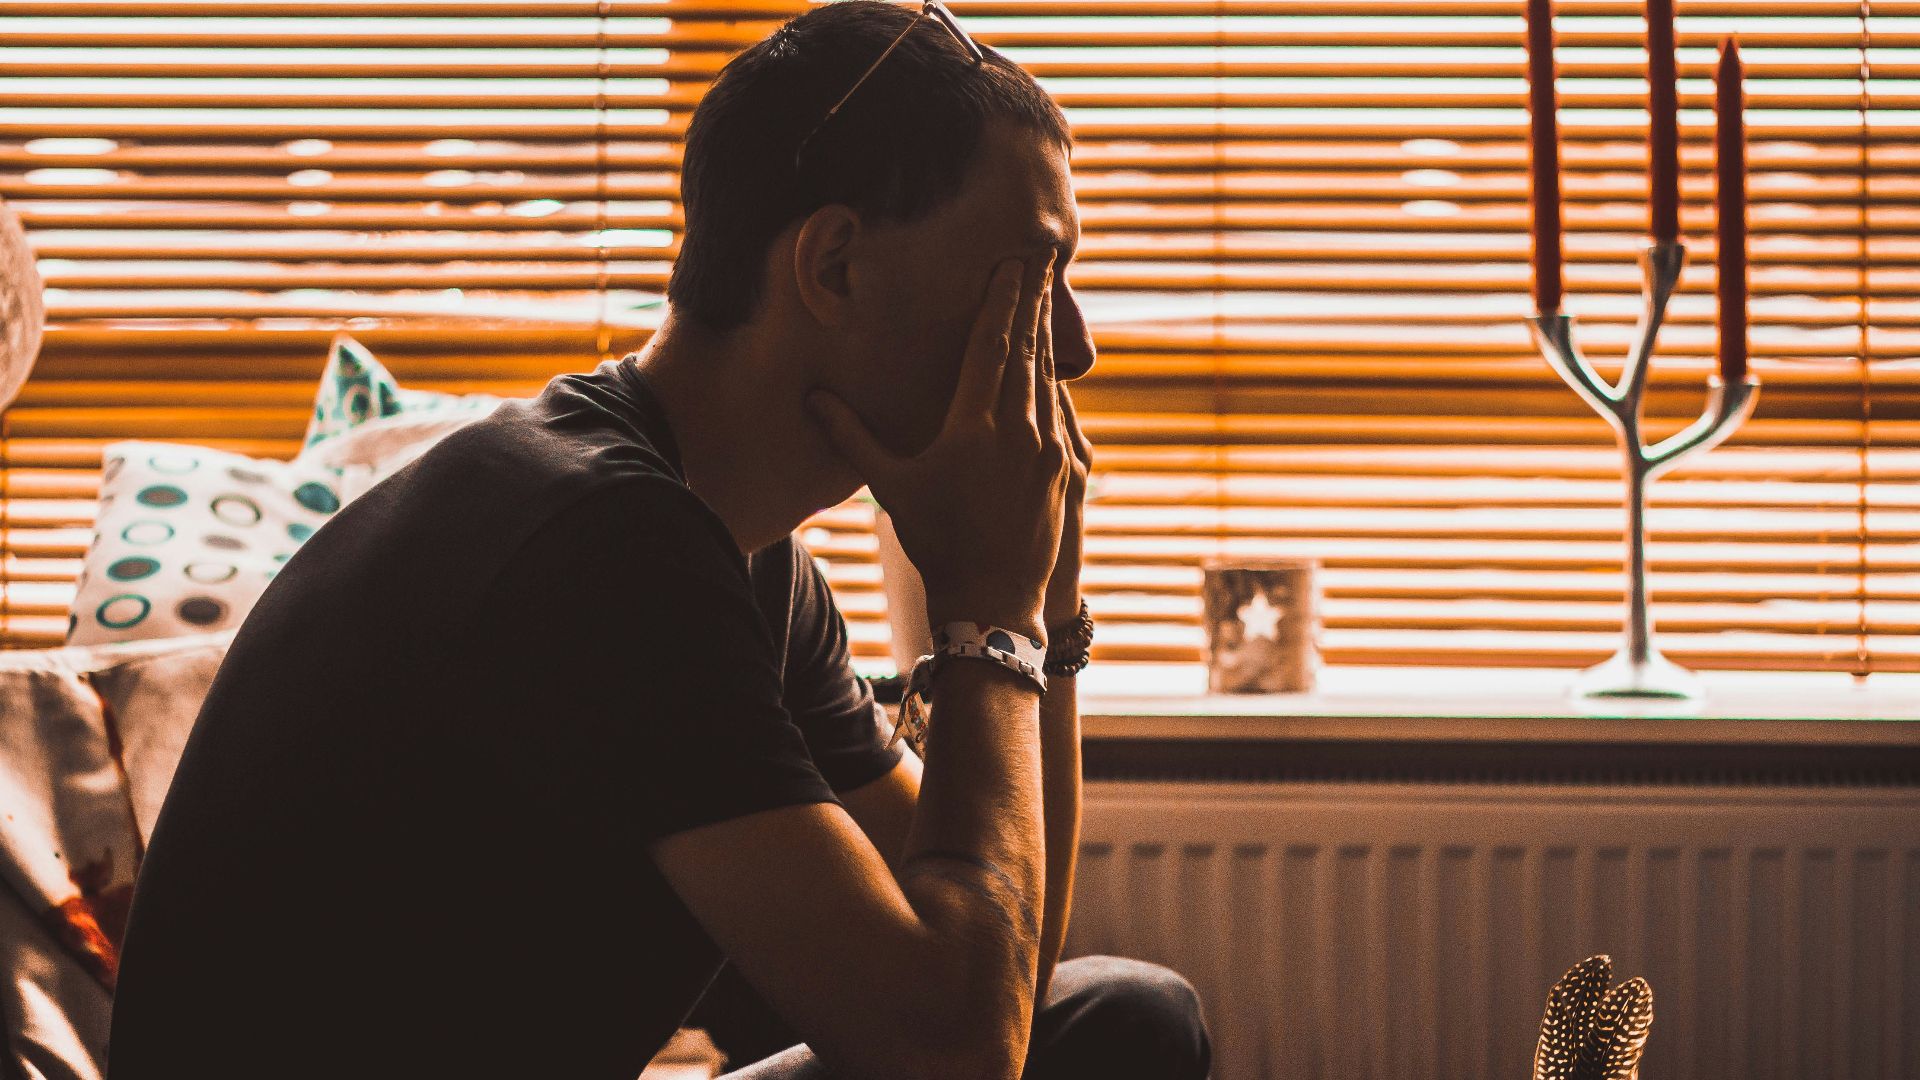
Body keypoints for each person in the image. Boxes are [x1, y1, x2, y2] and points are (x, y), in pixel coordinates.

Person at [107, 3, 1211, 1078]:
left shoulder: (741, 551)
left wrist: (1041, 619)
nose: (1075, 349)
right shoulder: (600, 542)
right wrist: (990, 615)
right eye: (1032, 274)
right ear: (832, 265)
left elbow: (1001, 970)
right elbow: (957, 1053)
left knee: (1116, 1017)